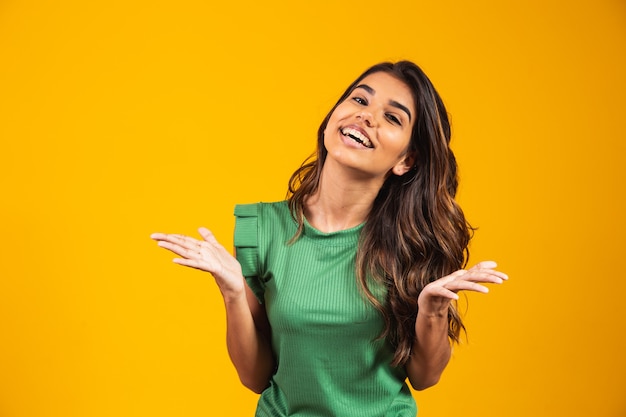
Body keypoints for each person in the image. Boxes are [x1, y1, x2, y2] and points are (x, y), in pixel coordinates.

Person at [151, 60, 507, 417]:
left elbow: (426, 376)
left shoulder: (412, 242)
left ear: (406, 160)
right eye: (359, 100)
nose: (366, 117)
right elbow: (255, 376)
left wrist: (433, 311)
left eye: (393, 117)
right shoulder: (261, 229)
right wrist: (231, 291)